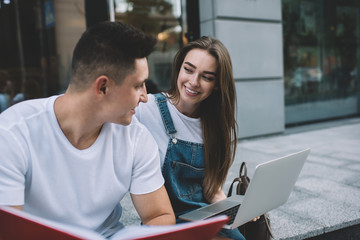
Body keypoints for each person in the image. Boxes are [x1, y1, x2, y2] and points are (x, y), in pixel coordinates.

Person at [0, 21, 175, 238]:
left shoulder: (136, 138)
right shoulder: (12, 134)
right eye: (138, 85)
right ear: (103, 87)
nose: (145, 97)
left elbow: (159, 216)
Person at [135, 36, 245, 240]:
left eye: (207, 77)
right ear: (178, 68)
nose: (193, 82)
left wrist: (239, 210)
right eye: (188, 69)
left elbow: (212, 190)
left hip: (206, 219)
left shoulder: (214, 124)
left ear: (218, 85)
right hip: (165, 224)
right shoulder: (145, 109)